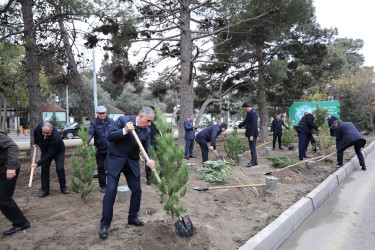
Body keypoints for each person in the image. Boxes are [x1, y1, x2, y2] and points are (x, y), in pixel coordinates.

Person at [99, 107, 156, 239]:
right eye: (148, 121)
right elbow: (110, 137)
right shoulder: (122, 120)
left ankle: (132, 217)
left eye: (151, 122)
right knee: (111, 191)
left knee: (137, 190)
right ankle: (105, 225)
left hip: (132, 162)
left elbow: (147, 148)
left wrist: (150, 159)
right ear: (141, 116)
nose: (149, 124)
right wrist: (124, 130)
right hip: (115, 160)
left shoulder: (146, 130)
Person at [0, 130, 30, 235]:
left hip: (9, 169)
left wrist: (11, 168)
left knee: (3, 200)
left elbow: (13, 147)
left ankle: (21, 223)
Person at [31, 122, 69, 197]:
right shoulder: (38, 128)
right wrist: (36, 142)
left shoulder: (56, 137)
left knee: (60, 168)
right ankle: (45, 190)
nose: (45, 134)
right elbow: (35, 132)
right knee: (44, 169)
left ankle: (63, 187)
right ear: (41, 129)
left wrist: (37, 163)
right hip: (45, 149)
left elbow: (50, 154)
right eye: (43, 132)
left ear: (51, 130)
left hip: (58, 151)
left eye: (47, 133)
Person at [88, 105, 114, 193]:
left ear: (106, 113)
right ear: (97, 113)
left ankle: (111, 185)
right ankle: (103, 186)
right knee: (101, 168)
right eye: (100, 113)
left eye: (104, 113)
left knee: (111, 168)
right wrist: (85, 143)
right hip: (100, 150)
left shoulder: (111, 122)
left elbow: (116, 132)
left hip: (111, 149)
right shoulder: (94, 123)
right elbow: (90, 134)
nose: (102, 115)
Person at [238, 103, 259, 168]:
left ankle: (252, 162)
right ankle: (255, 161)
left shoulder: (253, 113)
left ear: (247, 107)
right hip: (250, 133)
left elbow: (254, 125)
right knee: (252, 147)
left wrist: (252, 135)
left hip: (252, 134)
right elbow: (245, 121)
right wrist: (238, 126)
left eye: (244, 109)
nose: (244, 110)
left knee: (252, 148)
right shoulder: (249, 113)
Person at [145, 106, 161, 185]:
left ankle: (161, 176)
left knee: (161, 159)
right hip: (149, 141)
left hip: (157, 141)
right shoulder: (146, 118)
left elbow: (162, 129)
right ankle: (150, 178)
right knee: (149, 160)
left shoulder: (156, 118)